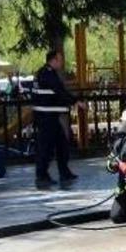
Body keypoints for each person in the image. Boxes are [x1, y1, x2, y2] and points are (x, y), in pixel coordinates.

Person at [33, 50, 84, 188]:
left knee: (62, 145)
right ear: (53, 60)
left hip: (50, 117)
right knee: (46, 148)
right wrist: (75, 101)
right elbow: (59, 91)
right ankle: (41, 175)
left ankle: (64, 171)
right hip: (46, 117)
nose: (61, 63)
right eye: (60, 60)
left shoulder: (46, 73)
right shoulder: (47, 74)